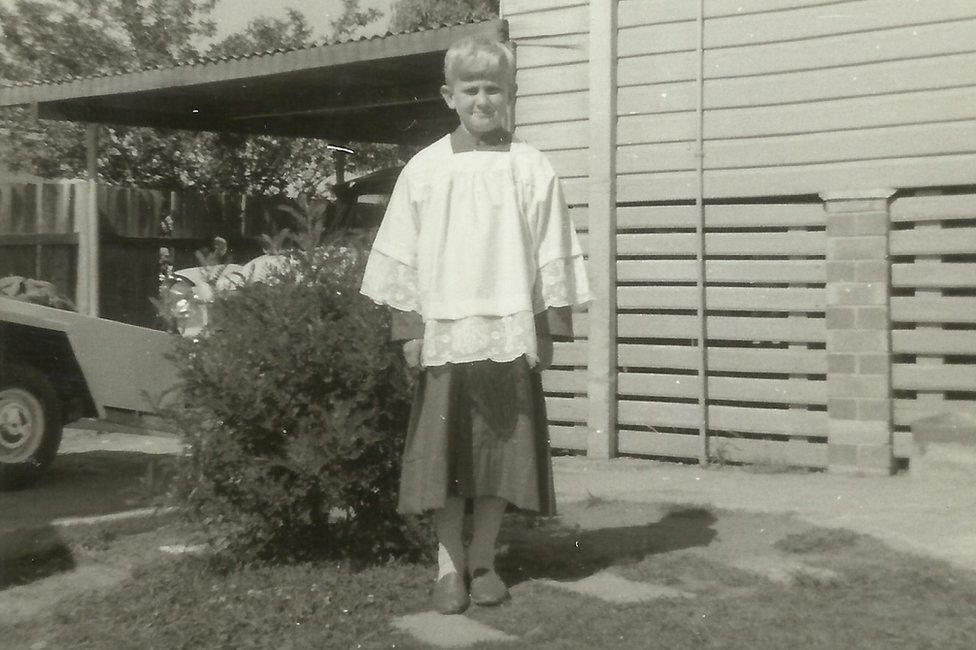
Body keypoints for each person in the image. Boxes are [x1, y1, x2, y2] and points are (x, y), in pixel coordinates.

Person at [360, 36, 590, 615]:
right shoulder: (426, 169)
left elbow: (549, 251)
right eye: (471, 89)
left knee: (498, 457)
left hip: (508, 333)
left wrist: (545, 328)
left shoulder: (531, 167)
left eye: (494, 89)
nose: (482, 100)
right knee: (446, 458)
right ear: (449, 96)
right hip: (447, 332)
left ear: (511, 94)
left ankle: (484, 560)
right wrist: (410, 329)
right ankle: (448, 567)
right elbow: (403, 252)